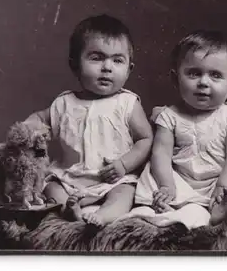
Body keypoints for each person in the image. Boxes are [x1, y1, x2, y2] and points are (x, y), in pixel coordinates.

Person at [27, 14, 153, 227]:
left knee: (126, 193)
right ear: (75, 65)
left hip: (112, 180)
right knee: (50, 188)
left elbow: (145, 138)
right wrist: (27, 128)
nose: (107, 67)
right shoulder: (64, 103)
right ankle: (69, 208)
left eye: (117, 60)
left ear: (129, 68)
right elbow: (39, 118)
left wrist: (123, 165)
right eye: (96, 58)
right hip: (70, 179)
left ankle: (102, 216)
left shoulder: (127, 103)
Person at [134, 30, 227, 225]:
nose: (203, 82)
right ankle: (172, 208)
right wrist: (166, 185)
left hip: (222, 174)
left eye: (215, 75)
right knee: (154, 179)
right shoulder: (169, 116)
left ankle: (220, 207)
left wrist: (223, 185)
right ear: (175, 79)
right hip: (182, 175)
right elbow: (161, 153)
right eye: (194, 73)